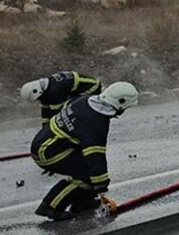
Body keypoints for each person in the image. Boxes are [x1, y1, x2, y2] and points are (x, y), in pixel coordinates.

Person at [30, 82, 138, 220]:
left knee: (87, 169)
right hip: (49, 151)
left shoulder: (86, 100)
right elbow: (94, 154)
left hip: (45, 143)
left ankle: (83, 202)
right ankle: (51, 207)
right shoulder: (96, 122)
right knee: (85, 174)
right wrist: (101, 183)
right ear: (121, 104)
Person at [20, 71, 102, 126]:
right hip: (79, 91)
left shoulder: (55, 90)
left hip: (93, 88)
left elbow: (56, 114)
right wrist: (44, 128)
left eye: (38, 98)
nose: (39, 100)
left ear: (37, 91)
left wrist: (49, 131)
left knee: (71, 108)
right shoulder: (48, 87)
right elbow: (45, 111)